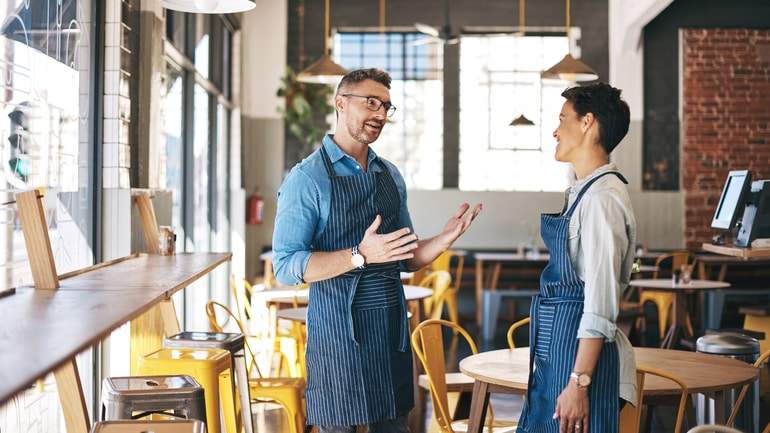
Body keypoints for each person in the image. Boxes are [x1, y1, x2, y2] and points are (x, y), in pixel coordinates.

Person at [272, 68, 481, 433]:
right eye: (371, 102)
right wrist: (359, 254)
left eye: (386, 106)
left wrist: (442, 239)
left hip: (390, 334)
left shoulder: (390, 175)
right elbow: (286, 266)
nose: (381, 114)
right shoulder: (306, 179)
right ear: (340, 103)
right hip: (339, 337)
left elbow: (406, 257)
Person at [517, 82, 637, 433]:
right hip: (561, 354)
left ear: (587, 122)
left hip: (582, 367)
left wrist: (579, 383)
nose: (555, 130)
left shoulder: (603, 199)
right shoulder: (584, 191)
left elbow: (600, 303)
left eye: (562, 118)